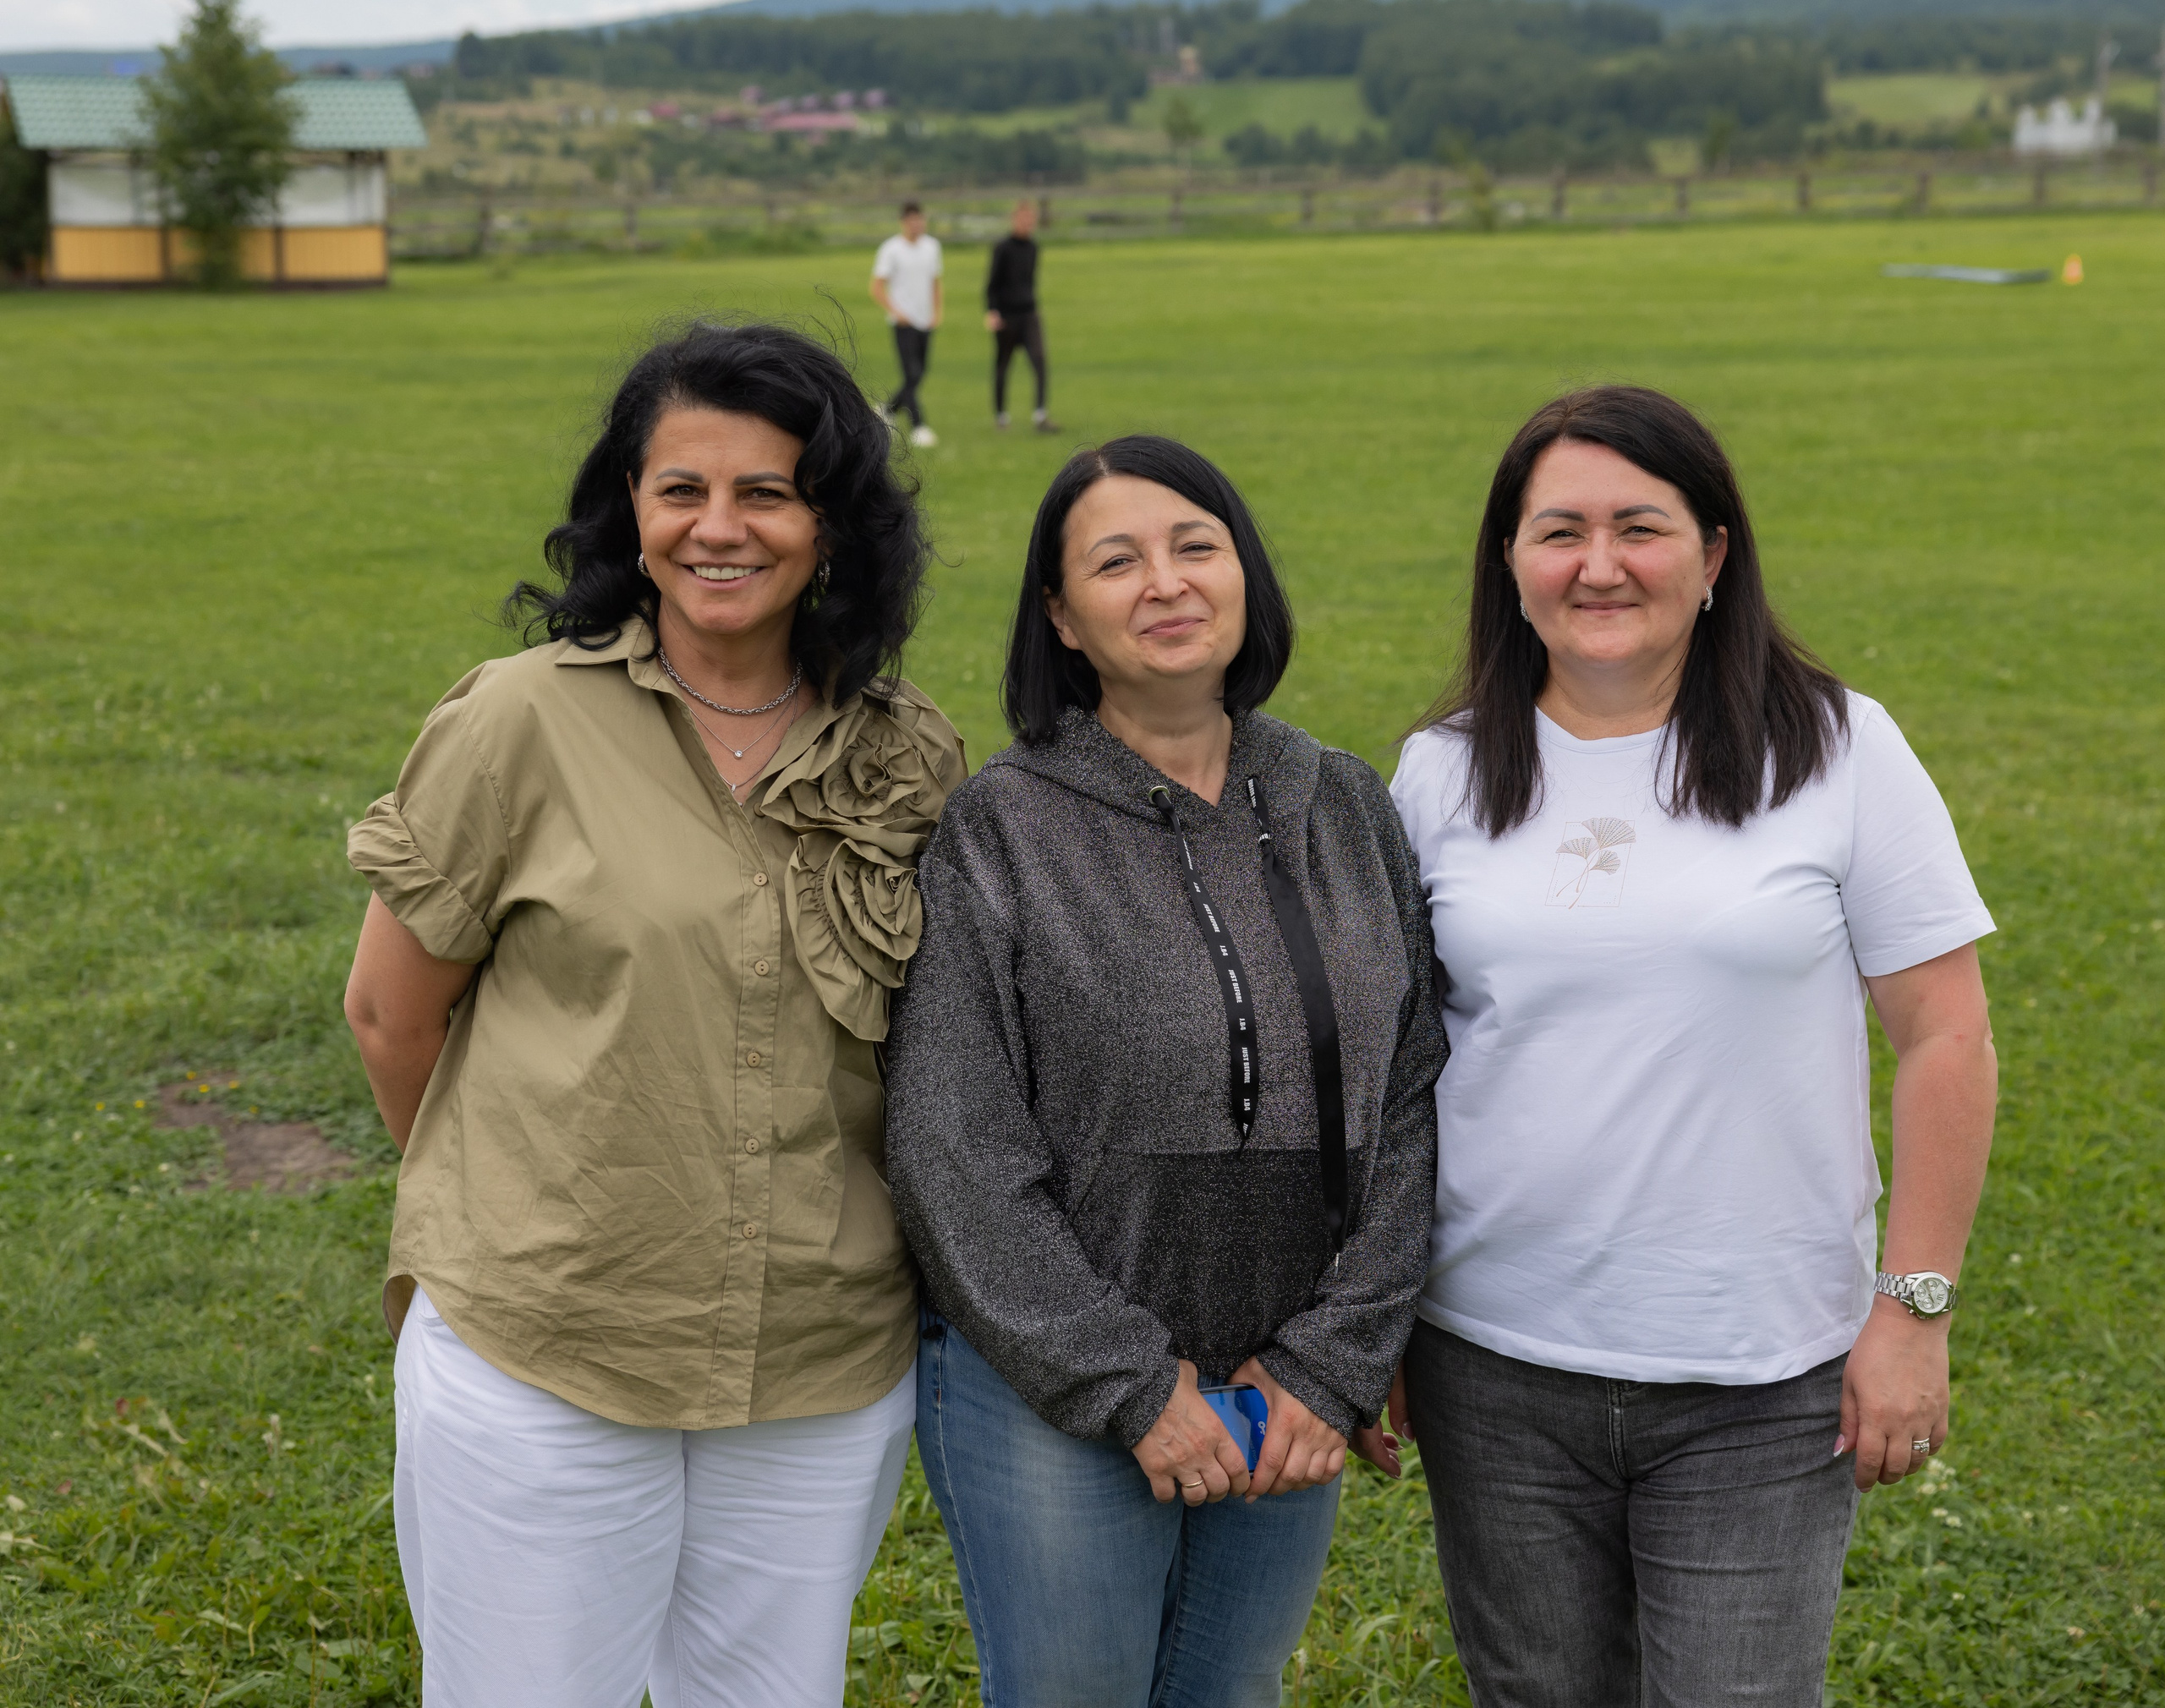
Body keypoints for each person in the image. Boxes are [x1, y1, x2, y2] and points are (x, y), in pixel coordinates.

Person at [341, 320, 966, 1708]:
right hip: (547, 1347)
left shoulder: (907, 752)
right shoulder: (516, 723)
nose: (720, 527)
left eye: (767, 491)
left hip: (821, 1361)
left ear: (832, 523)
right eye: (682, 488)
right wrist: (526, 1212)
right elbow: (392, 1016)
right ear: (630, 508)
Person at [1388, 385, 1997, 1706]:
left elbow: (1945, 1033)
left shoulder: (1838, 749)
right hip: (1494, 1367)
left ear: (1714, 556)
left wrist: (1915, 1309)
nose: (1598, 566)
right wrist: (1375, 1322)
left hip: (1760, 1376)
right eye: (1559, 531)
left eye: (1640, 528)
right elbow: (1401, 1069)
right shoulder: (1437, 774)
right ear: (1510, 561)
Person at [885, 435, 1444, 1707]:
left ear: (1243, 573)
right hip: (1053, 1384)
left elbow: (1410, 1095)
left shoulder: (1342, 802)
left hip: (1282, 1381)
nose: (1167, 582)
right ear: (1062, 618)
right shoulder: (1002, 827)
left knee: (1229, 1693)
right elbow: (952, 1146)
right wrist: (1128, 1385)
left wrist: (1332, 1362)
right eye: (1116, 562)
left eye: (1197, 546)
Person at [871, 200, 942, 449]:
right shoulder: (891, 249)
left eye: (920, 219)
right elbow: (876, 287)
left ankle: (887, 410)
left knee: (920, 373)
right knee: (911, 374)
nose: (917, 225)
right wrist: (896, 312)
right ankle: (919, 426)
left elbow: (935, 281)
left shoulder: (932, 247)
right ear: (904, 222)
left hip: (925, 321)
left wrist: (936, 312)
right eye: (912, 220)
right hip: (903, 323)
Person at [984, 198, 1058, 434]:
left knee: (1039, 360)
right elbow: (992, 284)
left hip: (1029, 314)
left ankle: (1040, 415)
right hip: (1007, 315)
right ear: (1015, 219)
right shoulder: (1003, 248)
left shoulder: (1033, 248)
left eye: (1031, 220)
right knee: (1003, 365)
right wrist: (992, 311)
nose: (1028, 224)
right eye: (1024, 219)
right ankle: (1001, 416)